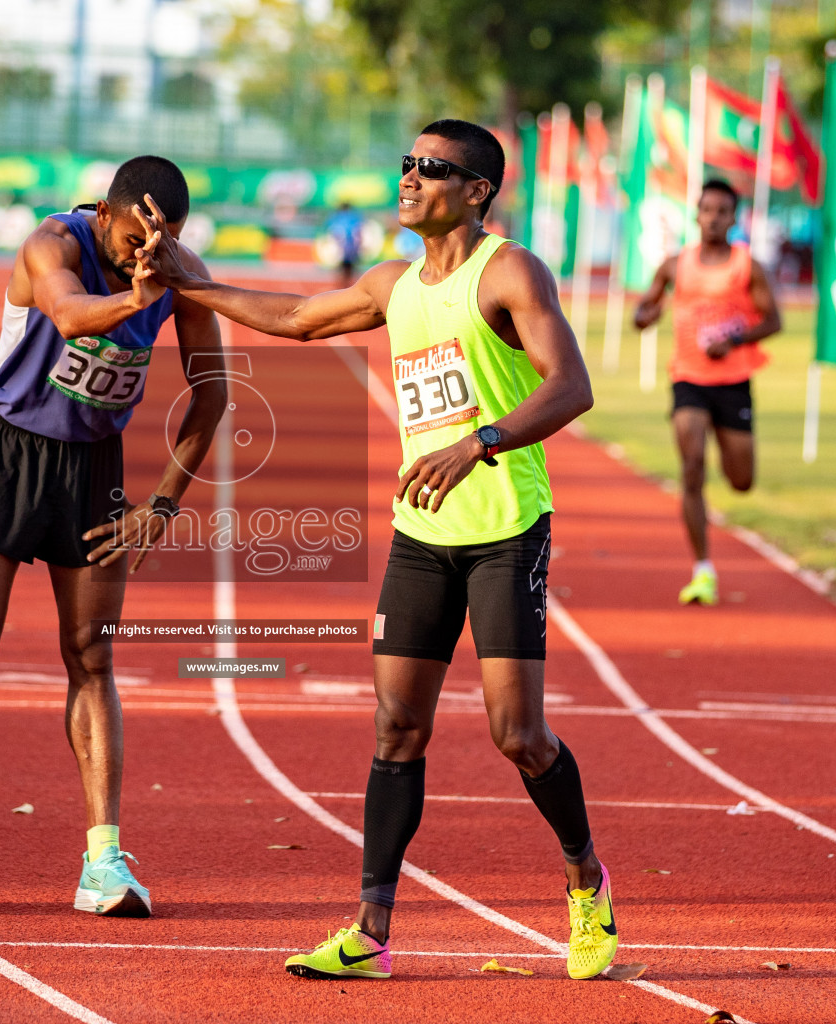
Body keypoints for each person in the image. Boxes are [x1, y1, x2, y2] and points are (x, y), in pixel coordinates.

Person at [136, 120, 616, 981]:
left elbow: (571, 385)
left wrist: (481, 441)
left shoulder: (507, 271)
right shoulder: (393, 283)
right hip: (421, 535)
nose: (408, 179)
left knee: (519, 735)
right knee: (397, 727)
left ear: (477, 191)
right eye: (405, 163)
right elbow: (293, 319)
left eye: (430, 169)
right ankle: (369, 931)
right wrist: (189, 285)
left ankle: (586, 878)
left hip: (506, 528)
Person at [0, 156, 226, 919]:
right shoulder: (53, 245)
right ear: (104, 214)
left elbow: (214, 395)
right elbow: (71, 316)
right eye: (138, 236)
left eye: (166, 239)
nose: (149, 252)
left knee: (93, 655)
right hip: (8, 450)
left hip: (92, 469)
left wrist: (164, 504)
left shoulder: (177, 270)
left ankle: (105, 861)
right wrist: (142, 296)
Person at [632, 178, 782, 606]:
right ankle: (702, 568)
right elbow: (644, 309)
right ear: (696, 215)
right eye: (707, 210)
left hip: (733, 382)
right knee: (692, 466)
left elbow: (774, 321)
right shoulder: (675, 264)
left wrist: (733, 341)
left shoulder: (747, 266)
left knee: (741, 481)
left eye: (722, 211)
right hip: (689, 379)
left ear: (734, 218)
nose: (714, 218)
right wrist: (645, 314)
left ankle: (727, 444)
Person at [327, 201, 364, 287]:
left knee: (340, 271)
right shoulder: (354, 217)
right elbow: (358, 233)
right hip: (352, 249)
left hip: (341, 248)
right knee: (351, 271)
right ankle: (350, 288)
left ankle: (340, 288)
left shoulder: (336, 217)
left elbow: (332, 231)